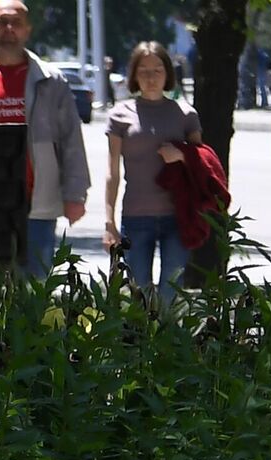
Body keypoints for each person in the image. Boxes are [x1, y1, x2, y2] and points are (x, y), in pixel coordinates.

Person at [0, 0, 90, 277]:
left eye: (16, 23)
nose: (9, 29)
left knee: (34, 290)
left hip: (38, 204)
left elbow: (71, 140)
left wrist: (75, 194)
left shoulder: (52, 80)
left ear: (28, 30)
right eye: (2, 22)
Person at [104, 41, 203, 306]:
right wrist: (109, 222)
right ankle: (140, 346)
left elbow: (204, 163)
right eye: (144, 70)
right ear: (134, 75)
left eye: (157, 69)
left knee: (172, 292)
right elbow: (112, 171)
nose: (151, 77)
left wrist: (181, 154)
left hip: (178, 217)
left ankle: (168, 344)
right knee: (140, 295)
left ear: (168, 73)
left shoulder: (185, 114)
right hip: (136, 217)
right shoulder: (120, 115)